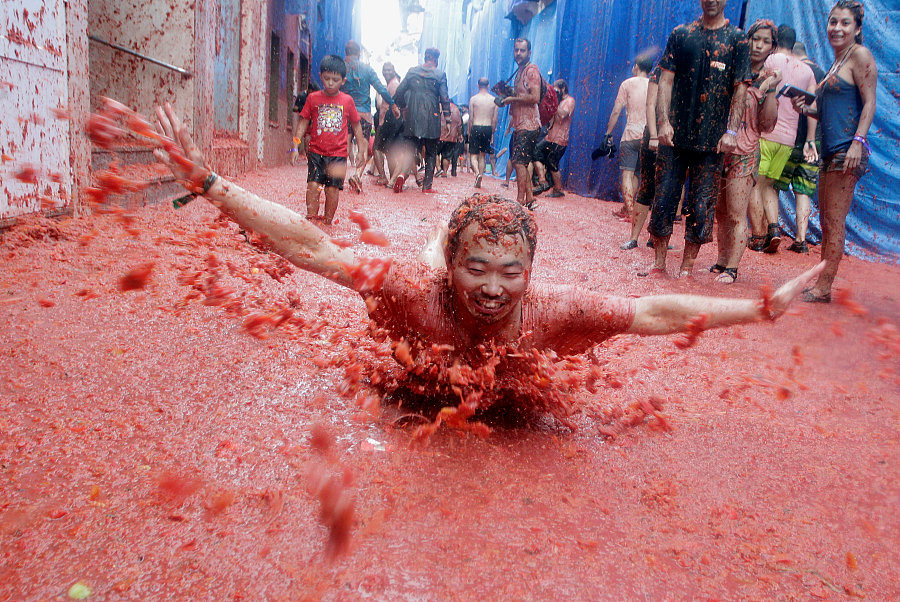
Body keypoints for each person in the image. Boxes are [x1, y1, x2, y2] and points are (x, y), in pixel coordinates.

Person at [153, 101, 825, 418]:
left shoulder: (553, 311)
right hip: (428, 301)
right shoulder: (412, 291)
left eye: (511, 273)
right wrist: (209, 183)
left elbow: (652, 312)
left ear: (532, 273)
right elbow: (311, 246)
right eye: (476, 268)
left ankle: (447, 236)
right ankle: (439, 237)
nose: (495, 291)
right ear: (454, 268)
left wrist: (757, 309)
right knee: (422, 269)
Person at [645, 0, 751, 278]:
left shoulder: (737, 40)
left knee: (701, 208)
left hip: (711, 143)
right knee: (663, 201)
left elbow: (740, 90)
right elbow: (665, 81)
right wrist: (663, 123)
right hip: (673, 139)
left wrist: (731, 132)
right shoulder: (682, 34)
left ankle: (687, 268)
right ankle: (659, 264)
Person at [790, 0, 876, 303]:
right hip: (830, 153)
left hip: (846, 152)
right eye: (833, 22)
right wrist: (805, 108)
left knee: (834, 221)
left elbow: (870, 102)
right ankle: (822, 282)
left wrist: (858, 141)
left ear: (857, 28)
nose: (837, 28)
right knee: (827, 221)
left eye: (845, 23)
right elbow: (826, 111)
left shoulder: (860, 55)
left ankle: (824, 286)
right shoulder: (837, 62)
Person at [710, 20, 782, 283]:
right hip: (721, 148)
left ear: (772, 47)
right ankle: (721, 260)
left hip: (745, 152)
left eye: (765, 41)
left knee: (736, 214)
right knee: (720, 212)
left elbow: (767, 124)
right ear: (747, 39)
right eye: (755, 39)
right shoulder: (734, 67)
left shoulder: (768, 79)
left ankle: (732, 267)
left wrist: (770, 90)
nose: (758, 45)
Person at [748, 25, 818, 254]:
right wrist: (810, 139)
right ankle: (774, 228)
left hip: (766, 133)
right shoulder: (808, 71)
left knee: (755, 185)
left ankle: (758, 236)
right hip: (788, 140)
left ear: (776, 42)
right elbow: (811, 106)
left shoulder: (771, 60)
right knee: (769, 186)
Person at [291, 55, 367, 225]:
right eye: (326, 79)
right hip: (316, 152)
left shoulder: (347, 101)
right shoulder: (313, 98)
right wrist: (295, 146)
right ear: (320, 76)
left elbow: (356, 126)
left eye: (335, 80)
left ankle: (327, 222)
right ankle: (311, 220)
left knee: (332, 190)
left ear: (343, 81)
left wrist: (361, 151)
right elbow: (303, 123)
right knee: (313, 186)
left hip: (338, 155)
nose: (330, 83)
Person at [773, 41, 826, 254]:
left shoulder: (791, 69)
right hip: (814, 142)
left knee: (773, 185)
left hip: (790, 139)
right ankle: (801, 239)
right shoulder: (821, 73)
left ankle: (770, 231)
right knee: (803, 191)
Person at [341, 41, 400, 192]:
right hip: (363, 114)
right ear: (359, 53)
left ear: (346, 52)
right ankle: (357, 175)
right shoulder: (367, 69)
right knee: (363, 145)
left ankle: (339, 178)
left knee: (344, 144)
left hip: (345, 111)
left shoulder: (341, 67)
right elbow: (381, 88)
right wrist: (393, 104)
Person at [392, 47, 451, 193]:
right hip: (432, 118)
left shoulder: (412, 72)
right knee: (430, 152)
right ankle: (427, 186)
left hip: (412, 117)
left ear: (425, 57)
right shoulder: (440, 75)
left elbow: (399, 92)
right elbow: (444, 98)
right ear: (436, 59)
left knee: (410, 150)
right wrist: (448, 119)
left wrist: (404, 107)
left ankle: (402, 174)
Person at [603, 55, 652, 219]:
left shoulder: (627, 84)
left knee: (627, 174)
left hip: (630, 135)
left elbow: (616, 110)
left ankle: (630, 211)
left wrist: (608, 132)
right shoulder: (654, 85)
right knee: (637, 174)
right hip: (647, 136)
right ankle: (627, 207)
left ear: (636, 66)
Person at [498, 38, 542, 209]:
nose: (518, 53)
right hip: (520, 123)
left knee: (519, 162)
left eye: (522, 50)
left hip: (529, 124)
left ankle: (520, 201)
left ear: (529, 52)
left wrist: (512, 98)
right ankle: (529, 199)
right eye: (516, 50)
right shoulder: (520, 71)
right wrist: (508, 94)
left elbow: (535, 97)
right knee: (520, 162)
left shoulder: (531, 70)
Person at [621, 65, 661, 250]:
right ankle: (636, 237)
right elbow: (650, 106)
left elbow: (617, 109)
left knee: (650, 186)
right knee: (648, 187)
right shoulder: (655, 80)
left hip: (641, 135)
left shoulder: (630, 84)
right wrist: (654, 136)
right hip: (651, 137)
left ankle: (652, 237)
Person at [533, 79, 574, 198]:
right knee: (535, 153)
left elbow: (563, 114)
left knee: (553, 164)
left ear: (563, 89)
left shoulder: (569, 101)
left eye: (556, 91)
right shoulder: (559, 101)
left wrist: (554, 103)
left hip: (560, 139)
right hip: (550, 137)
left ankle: (557, 189)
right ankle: (542, 181)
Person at [373, 62, 403, 187]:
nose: (387, 72)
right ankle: (392, 178)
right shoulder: (392, 84)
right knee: (389, 151)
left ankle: (384, 177)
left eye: (389, 70)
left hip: (388, 121)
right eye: (385, 70)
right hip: (389, 121)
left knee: (377, 148)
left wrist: (383, 122)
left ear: (394, 70)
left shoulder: (394, 84)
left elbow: (389, 105)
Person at [438, 101, 462, 178]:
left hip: (439, 135)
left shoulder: (440, 106)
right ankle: (445, 172)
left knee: (435, 153)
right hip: (451, 137)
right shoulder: (456, 109)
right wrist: (459, 134)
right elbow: (459, 124)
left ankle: (438, 169)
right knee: (446, 156)